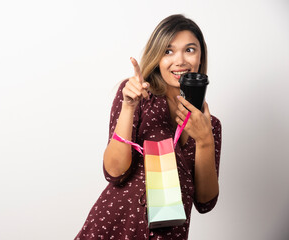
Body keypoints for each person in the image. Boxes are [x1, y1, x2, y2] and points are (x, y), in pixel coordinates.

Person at [75, 14, 222, 240]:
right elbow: (114, 173)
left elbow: (205, 202)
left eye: (189, 50)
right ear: (157, 56)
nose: (180, 60)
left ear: (200, 57)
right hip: (114, 227)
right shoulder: (138, 96)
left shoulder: (210, 124)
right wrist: (128, 107)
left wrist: (205, 140)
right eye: (168, 51)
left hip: (169, 234)